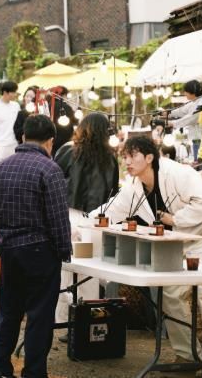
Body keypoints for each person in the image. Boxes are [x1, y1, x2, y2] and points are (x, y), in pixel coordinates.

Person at [90, 136, 202, 377]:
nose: (127, 162)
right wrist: (81, 222)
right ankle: (186, 355)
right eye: (125, 157)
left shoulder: (178, 173)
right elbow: (111, 210)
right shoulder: (134, 187)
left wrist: (175, 219)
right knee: (170, 293)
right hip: (175, 242)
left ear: (149, 157)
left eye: (132, 156)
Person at [0, 115, 71, 378]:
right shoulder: (50, 169)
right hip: (40, 252)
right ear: (50, 141)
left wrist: (0, 243)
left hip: (10, 250)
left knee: (8, 312)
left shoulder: (1, 167)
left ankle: (1, 370)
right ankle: (34, 372)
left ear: (23, 137)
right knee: (39, 316)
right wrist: (64, 250)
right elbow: (58, 218)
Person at [53, 113, 118, 331]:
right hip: (97, 219)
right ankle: (87, 323)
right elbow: (113, 193)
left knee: (65, 271)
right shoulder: (110, 159)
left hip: (69, 214)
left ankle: (64, 321)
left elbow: (53, 179)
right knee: (90, 273)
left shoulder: (69, 151)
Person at [168, 80, 202, 161]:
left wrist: (172, 123)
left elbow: (189, 119)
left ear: (192, 92)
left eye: (186, 91)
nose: (185, 94)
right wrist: (168, 113)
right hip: (194, 139)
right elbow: (181, 111)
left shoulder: (201, 104)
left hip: (200, 140)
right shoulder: (194, 102)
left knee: (199, 163)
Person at [48, 86, 76, 156]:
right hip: (64, 142)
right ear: (64, 95)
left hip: (51, 141)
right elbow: (73, 124)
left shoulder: (48, 105)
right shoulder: (67, 107)